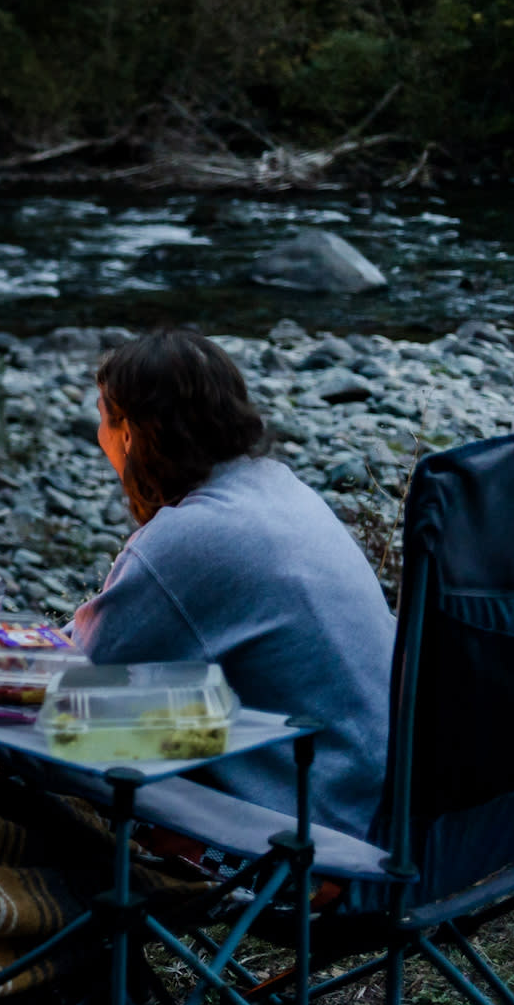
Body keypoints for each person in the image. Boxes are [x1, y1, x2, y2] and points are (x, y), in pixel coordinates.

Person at [69, 327, 396, 841]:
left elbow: (75, 686)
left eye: (104, 419)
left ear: (130, 433)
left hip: (312, 843)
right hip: (379, 805)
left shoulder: (194, 535)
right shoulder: (279, 488)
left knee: (58, 739)